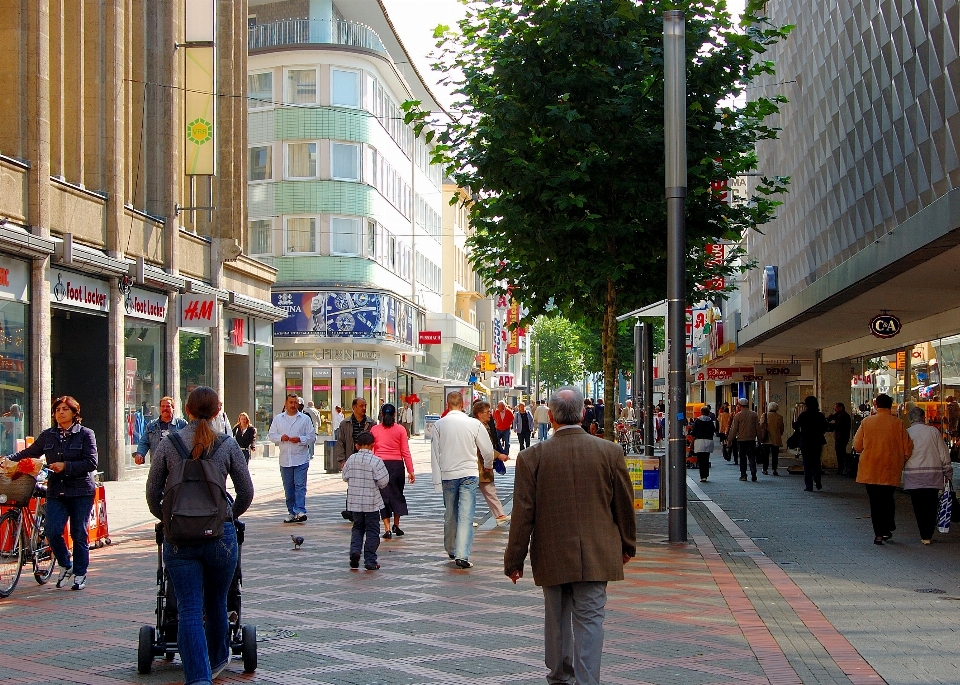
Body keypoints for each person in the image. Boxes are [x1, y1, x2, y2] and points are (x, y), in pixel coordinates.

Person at [504, 386, 636, 685]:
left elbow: (523, 514)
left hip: (551, 551)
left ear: (550, 417)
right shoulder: (610, 452)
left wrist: (514, 560)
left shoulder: (531, 457)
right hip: (597, 551)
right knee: (591, 620)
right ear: (584, 413)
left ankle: (560, 676)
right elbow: (624, 505)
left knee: (557, 617)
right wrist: (627, 545)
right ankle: (588, 680)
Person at [145, 386, 253, 684]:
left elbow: (153, 493)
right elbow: (245, 491)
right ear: (218, 411)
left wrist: (169, 521)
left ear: (186, 410)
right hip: (220, 536)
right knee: (217, 600)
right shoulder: (228, 444)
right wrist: (228, 517)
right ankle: (218, 659)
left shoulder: (169, 444)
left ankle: (199, 679)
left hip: (180, 539)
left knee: (189, 608)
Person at [1, 396, 97, 591]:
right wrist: (6, 459)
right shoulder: (48, 435)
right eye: (57, 409)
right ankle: (65, 563)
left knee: (79, 533)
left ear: (74, 412)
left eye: (65, 409)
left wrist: (66, 466)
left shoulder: (86, 434)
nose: (60, 412)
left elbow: (91, 462)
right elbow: (29, 453)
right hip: (56, 490)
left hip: (81, 491)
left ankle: (80, 573)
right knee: (52, 530)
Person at [431, 391, 494, 569]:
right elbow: (487, 450)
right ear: (463, 404)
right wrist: (488, 465)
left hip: (448, 474)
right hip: (469, 473)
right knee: (466, 515)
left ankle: (451, 547)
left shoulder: (439, 425)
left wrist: (437, 480)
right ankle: (462, 554)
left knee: (450, 513)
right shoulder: (474, 424)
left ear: (447, 404)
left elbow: (435, 453)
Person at [854, 393, 913, 545]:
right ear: (891, 405)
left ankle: (878, 534)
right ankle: (887, 527)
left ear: (875, 405)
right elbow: (908, 448)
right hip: (890, 468)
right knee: (887, 499)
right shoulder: (898, 423)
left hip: (870, 468)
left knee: (875, 502)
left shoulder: (867, 422)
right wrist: (901, 459)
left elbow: (857, 446)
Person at [904, 406, 953, 544]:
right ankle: (928, 534)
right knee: (931, 505)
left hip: (913, 475)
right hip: (933, 474)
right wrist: (948, 471)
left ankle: (924, 534)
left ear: (910, 419)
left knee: (918, 506)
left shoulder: (906, 433)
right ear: (923, 417)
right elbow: (943, 453)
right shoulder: (933, 431)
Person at [342, 431, 390, 570]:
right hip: (372, 503)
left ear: (357, 446)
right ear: (372, 445)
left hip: (355, 503)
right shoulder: (376, 461)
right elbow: (383, 481)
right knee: (372, 531)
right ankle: (370, 560)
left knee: (357, 528)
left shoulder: (351, 459)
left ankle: (355, 551)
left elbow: (345, 477)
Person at [268, 393, 316, 523]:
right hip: (285, 459)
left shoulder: (305, 419)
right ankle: (291, 511)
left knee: (300, 485)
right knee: (289, 488)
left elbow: (312, 437)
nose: (293, 405)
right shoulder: (278, 419)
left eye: (295, 403)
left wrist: (300, 439)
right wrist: (280, 438)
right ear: (285, 404)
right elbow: (271, 435)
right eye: (291, 402)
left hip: (301, 458)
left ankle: (300, 510)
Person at [370, 403, 414, 539]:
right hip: (397, 466)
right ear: (395, 414)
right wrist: (411, 470)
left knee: (384, 497)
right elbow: (405, 451)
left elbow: (372, 451)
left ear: (382, 415)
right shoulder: (401, 430)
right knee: (397, 494)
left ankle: (387, 528)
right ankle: (397, 525)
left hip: (380, 465)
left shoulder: (374, 430)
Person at [334, 398, 376, 519]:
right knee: (352, 484)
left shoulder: (371, 423)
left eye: (365, 405)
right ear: (354, 407)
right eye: (361, 406)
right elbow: (340, 442)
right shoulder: (345, 423)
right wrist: (342, 460)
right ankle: (351, 510)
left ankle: (363, 510)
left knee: (366, 484)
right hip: (351, 458)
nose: (364, 408)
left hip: (367, 459)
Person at [473, 401, 511, 525]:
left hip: (482, 464)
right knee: (469, 493)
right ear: (479, 414)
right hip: (478, 464)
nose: (490, 414)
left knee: (489, 490)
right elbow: (484, 447)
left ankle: (500, 515)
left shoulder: (486, 425)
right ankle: (465, 520)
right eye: (487, 412)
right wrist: (498, 455)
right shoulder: (477, 427)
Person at [134, 396, 187, 466]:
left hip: (176, 466)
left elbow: (189, 441)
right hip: (157, 465)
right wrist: (140, 454)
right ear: (160, 408)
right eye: (163, 406)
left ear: (173, 408)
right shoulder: (152, 425)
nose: (165, 408)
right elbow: (144, 442)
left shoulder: (182, 424)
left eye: (168, 406)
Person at [792, 396, 829, 491]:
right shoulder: (820, 415)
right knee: (816, 461)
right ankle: (817, 476)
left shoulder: (804, 415)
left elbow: (796, 425)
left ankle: (809, 485)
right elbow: (825, 427)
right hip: (817, 441)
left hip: (805, 441)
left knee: (807, 462)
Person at [727, 398, 760, 481]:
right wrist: (760, 438)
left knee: (742, 458)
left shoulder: (738, 416)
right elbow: (758, 427)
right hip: (751, 439)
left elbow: (734, 429)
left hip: (741, 440)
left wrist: (730, 440)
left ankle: (743, 475)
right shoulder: (754, 414)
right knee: (752, 457)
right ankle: (753, 473)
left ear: (739, 405)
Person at [690, 406, 717, 482]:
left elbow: (693, 432)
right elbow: (713, 430)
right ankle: (706, 474)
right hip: (708, 441)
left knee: (700, 459)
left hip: (699, 442)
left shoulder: (697, 421)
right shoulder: (710, 421)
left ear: (701, 412)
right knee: (706, 458)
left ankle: (702, 476)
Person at [827, 402, 853, 475]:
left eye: (836, 407)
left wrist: (827, 425)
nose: (834, 409)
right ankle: (841, 468)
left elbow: (837, 425)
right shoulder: (840, 415)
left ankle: (841, 469)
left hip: (842, 436)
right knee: (840, 452)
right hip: (841, 436)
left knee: (840, 453)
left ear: (840, 407)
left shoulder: (843, 416)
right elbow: (832, 418)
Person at [761, 402, 785, 476]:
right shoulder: (780, 417)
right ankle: (774, 469)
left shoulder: (764, 415)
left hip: (766, 438)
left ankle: (765, 469)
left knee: (766, 454)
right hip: (776, 438)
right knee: (775, 455)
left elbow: (761, 426)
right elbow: (782, 429)